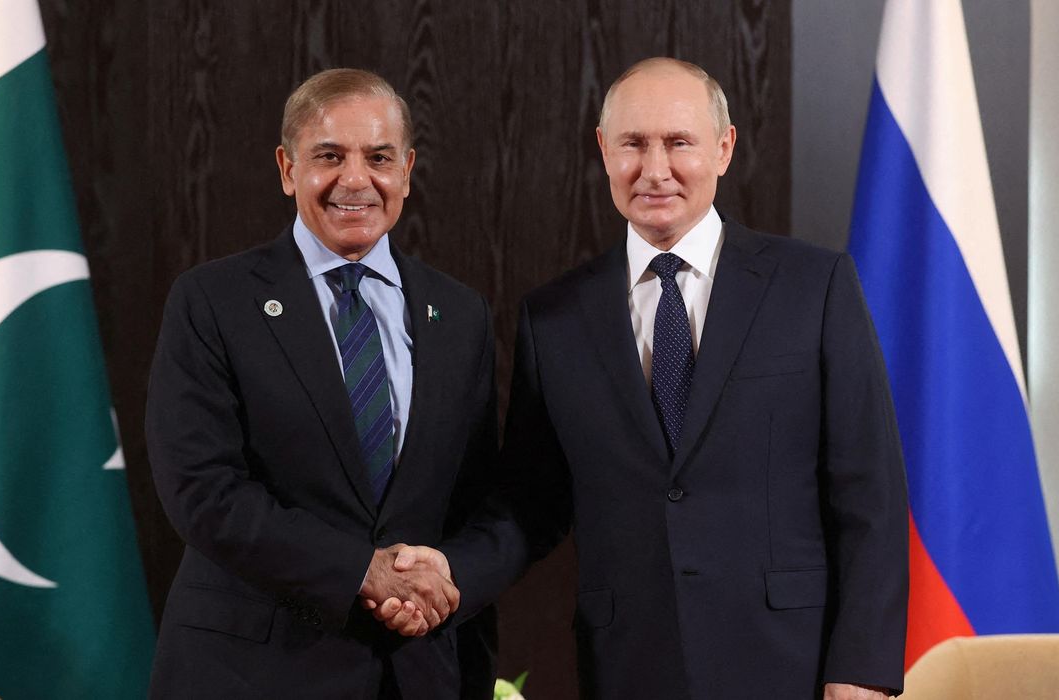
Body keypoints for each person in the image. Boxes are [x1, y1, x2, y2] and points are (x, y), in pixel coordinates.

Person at [383, 57, 909, 698]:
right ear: (604, 151)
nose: (654, 169)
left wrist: (860, 672)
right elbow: (530, 504)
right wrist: (451, 569)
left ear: (724, 148)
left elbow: (870, 495)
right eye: (632, 143)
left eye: (678, 142)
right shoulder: (555, 318)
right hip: (628, 665)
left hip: (790, 665)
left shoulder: (814, 287)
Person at [146, 68, 498, 699]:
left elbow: (477, 501)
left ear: (408, 170)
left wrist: (439, 582)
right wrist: (363, 573)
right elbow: (202, 490)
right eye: (329, 156)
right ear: (287, 169)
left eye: (379, 158)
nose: (355, 180)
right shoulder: (213, 302)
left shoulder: (460, 314)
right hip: (251, 674)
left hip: (415, 673)